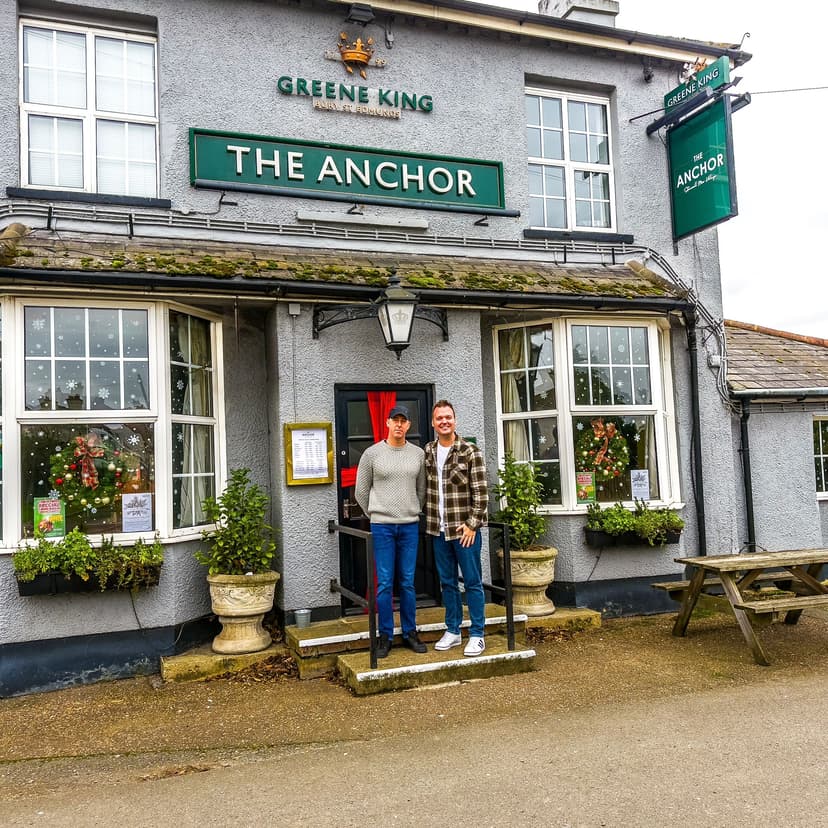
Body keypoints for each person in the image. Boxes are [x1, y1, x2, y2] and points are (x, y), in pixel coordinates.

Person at [355, 404, 427, 659]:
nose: (399, 425)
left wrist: (412, 510)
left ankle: (410, 631)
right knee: (384, 584)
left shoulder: (418, 454)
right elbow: (361, 491)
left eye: (403, 421)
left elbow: (422, 490)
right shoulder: (372, 454)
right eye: (394, 420)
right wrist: (376, 514)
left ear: (408, 425)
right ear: (387, 423)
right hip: (382, 526)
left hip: (409, 526)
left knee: (407, 582)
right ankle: (385, 634)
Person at [424, 400, 489, 657]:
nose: (444, 421)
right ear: (433, 423)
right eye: (439, 418)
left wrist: (473, 524)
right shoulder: (428, 451)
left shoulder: (469, 451)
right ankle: (452, 630)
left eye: (448, 417)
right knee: (447, 583)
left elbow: (481, 493)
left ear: (455, 420)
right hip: (438, 530)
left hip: (464, 532)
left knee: (472, 583)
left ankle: (477, 634)